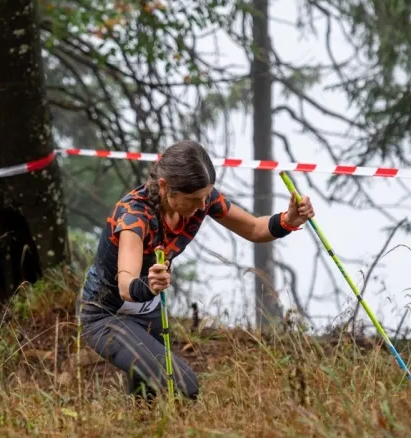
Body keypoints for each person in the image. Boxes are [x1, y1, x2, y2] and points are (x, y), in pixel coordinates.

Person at [78, 140, 315, 401]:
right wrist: (148, 285)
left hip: (148, 311)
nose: (203, 206)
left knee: (147, 400)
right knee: (182, 386)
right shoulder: (135, 216)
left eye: (206, 197)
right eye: (194, 199)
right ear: (166, 187)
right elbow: (126, 284)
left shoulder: (202, 198)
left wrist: (288, 220)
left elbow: (255, 229)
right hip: (106, 315)